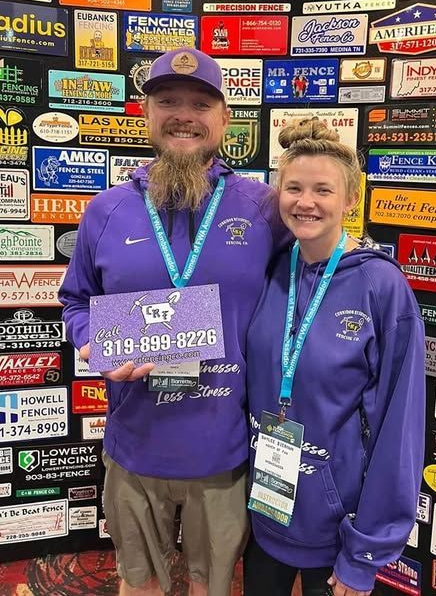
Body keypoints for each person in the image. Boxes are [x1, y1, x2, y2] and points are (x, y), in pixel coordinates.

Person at [59, 47, 287, 596]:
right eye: (168, 102)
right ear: (146, 113)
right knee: (138, 585)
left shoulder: (264, 208)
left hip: (225, 448)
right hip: (134, 446)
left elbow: (308, 291)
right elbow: (76, 302)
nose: (184, 115)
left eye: (200, 104)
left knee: (212, 587)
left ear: (224, 118)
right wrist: (92, 342)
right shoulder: (106, 209)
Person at [244, 118, 425, 596]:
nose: (306, 202)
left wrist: (365, 553)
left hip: (336, 529)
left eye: (323, 190)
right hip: (264, 511)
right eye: (294, 188)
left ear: (350, 200)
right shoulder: (267, 270)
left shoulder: (380, 287)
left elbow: (398, 428)